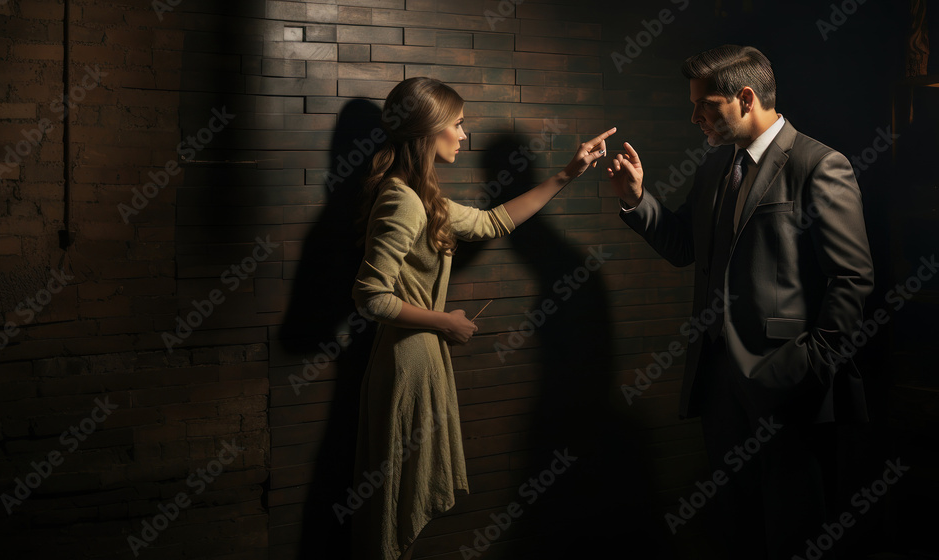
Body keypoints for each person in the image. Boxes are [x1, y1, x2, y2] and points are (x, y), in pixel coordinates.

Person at [608, 45, 874, 558]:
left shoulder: (820, 165)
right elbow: (687, 247)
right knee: (736, 529)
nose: (694, 117)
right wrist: (637, 200)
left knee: (797, 528)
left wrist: (809, 365)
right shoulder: (714, 169)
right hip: (720, 386)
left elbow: (852, 278)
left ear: (746, 97)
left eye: (704, 105)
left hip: (790, 385)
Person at [349, 76, 615, 560]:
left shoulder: (420, 196)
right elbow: (369, 297)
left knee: (401, 495)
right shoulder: (401, 200)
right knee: (397, 500)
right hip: (408, 364)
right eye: (458, 124)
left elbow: (493, 222)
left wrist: (568, 174)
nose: (464, 135)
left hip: (419, 361)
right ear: (430, 131)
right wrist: (443, 322)